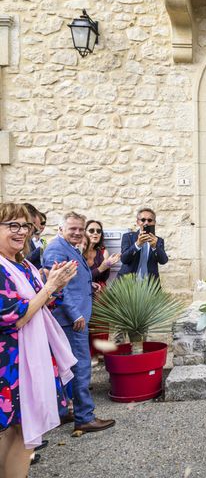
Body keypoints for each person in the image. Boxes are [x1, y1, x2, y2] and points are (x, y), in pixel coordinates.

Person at [0, 203, 78, 477]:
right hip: (10, 363)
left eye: (25, 226)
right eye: (12, 225)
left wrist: (57, 286)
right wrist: (49, 287)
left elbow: (40, 304)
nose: (21, 232)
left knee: (21, 432)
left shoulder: (22, 264)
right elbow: (15, 317)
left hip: (30, 358)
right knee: (18, 434)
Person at [43, 212, 115, 435]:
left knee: (69, 367)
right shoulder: (56, 249)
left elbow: (73, 281)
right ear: (61, 228)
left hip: (75, 314)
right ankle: (85, 417)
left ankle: (65, 411)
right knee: (81, 367)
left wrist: (88, 286)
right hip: (71, 320)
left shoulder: (71, 247)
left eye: (79, 228)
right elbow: (57, 287)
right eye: (72, 228)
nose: (77, 232)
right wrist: (75, 314)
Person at [117, 208, 168, 281]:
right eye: (143, 220)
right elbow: (124, 259)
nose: (146, 223)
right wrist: (137, 245)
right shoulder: (128, 236)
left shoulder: (159, 240)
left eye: (150, 220)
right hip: (127, 282)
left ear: (154, 222)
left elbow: (163, 261)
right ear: (138, 222)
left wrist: (155, 247)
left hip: (149, 284)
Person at [84, 220, 120, 292]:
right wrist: (100, 268)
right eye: (91, 230)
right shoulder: (78, 251)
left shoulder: (104, 252)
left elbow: (103, 279)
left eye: (98, 231)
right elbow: (79, 278)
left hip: (98, 294)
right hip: (82, 294)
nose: (95, 233)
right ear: (84, 233)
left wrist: (108, 265)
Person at [24, 203, 47, 270]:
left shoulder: (43, 241)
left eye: (43, 223)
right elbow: (26, 259)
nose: (40, 226)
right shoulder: (25, 239)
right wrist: (40, 249)